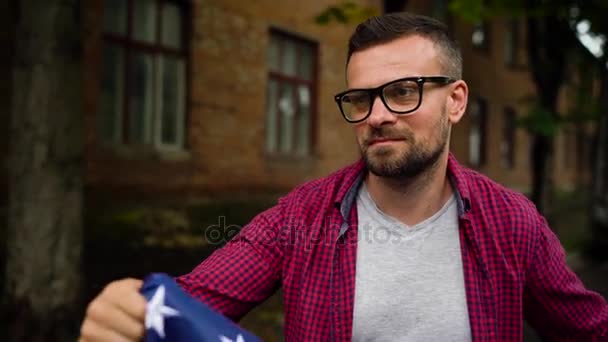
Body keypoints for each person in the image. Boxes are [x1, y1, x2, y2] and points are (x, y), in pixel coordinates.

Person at [79, 12, 608, 341]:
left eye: (403, 91)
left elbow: (588, 330)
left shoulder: (512, 223)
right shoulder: (299, 219)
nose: (377, 115)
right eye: (361, 98)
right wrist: (130, 309)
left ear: (456, 101)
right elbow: (190, 303)